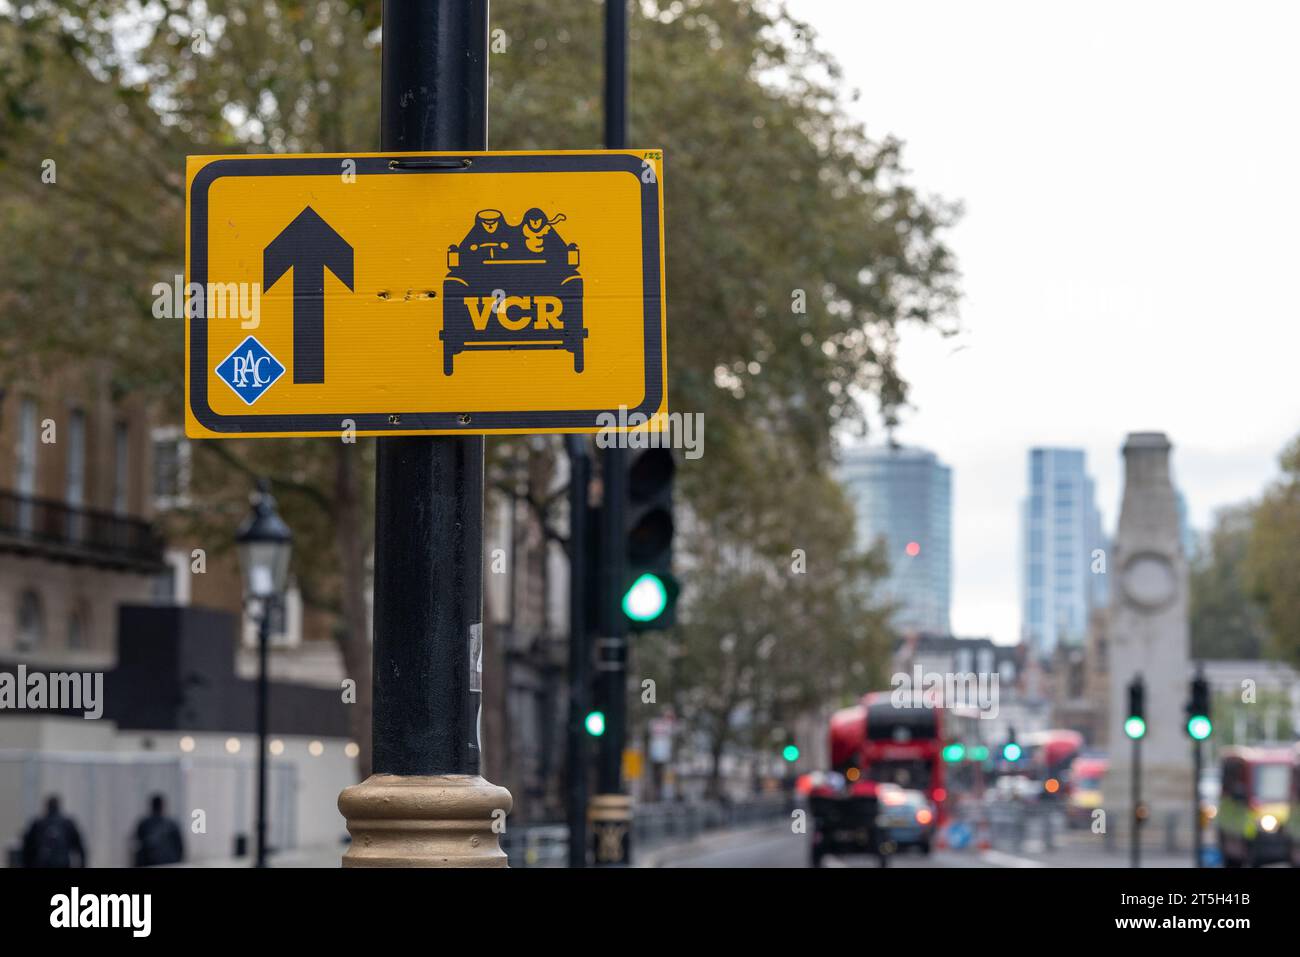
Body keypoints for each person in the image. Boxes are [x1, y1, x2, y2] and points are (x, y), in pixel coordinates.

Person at [21, 796, 86, 868]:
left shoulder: (38, 824)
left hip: (42, 864)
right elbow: (80, 848)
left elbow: (27, 849)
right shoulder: (68, 824)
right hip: (62, 864)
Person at [133, 793, 184, 867]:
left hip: (150, 864)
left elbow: (137, 845)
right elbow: (180, 847)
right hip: (168, 864)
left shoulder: (144, 824)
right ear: (163, 806)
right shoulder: (171, 824)